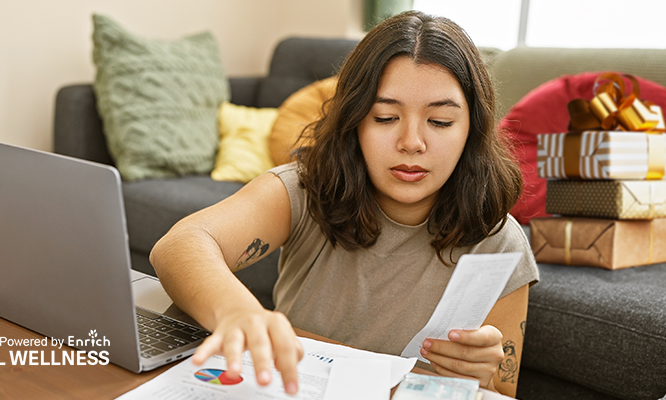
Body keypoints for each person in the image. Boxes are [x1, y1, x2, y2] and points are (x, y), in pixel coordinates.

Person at [150, 10, 539, 398]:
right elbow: (180, 244)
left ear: (472, 129)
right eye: (385, 117)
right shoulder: (305, 189)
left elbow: (502, 389)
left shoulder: (499, 241)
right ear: (355, 121)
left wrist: (483, 375)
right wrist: (237, 312)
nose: (412, 142)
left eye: (439, 122)